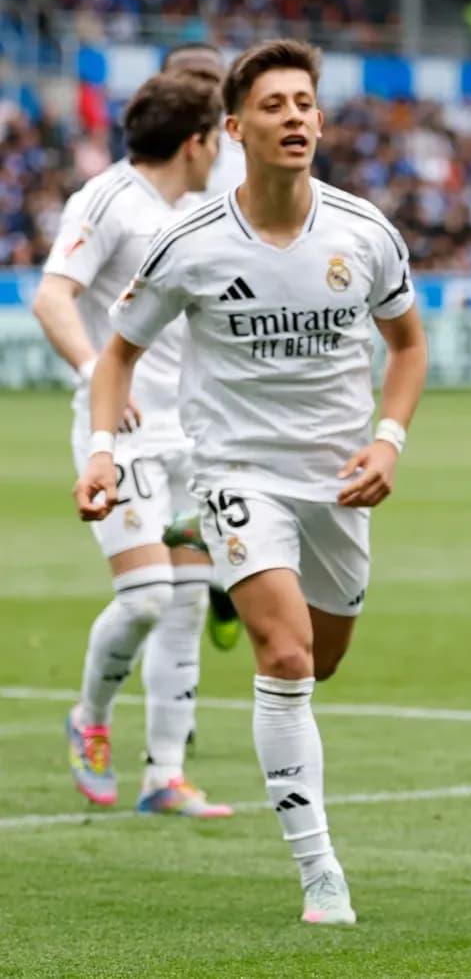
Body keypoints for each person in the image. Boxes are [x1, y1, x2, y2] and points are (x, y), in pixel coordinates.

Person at [75, 39, 430, 927]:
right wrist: (104, 452)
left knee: (325, 657)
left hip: (337, 480)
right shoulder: (189, 244)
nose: (295, 117)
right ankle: (321, 873)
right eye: (274, 105)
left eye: (305, 103)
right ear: (235, 129)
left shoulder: (364, 232)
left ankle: (236, 581)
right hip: (235, 472)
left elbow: (408, 347)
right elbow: (117, 356)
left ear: (322, 121)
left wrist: (388, 442)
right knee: (286, 656)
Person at [32, 73, 234, 818]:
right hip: (121, 437)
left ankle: (165, 777)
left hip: (192, 437)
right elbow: (52, 296)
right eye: (217, 141)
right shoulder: (108, 200)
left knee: (186, 604)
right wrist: (98, 374)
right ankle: (88, 718)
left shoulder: (196, 213)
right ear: (196, 143)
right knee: (147, 597)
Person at [156, 40, 249, 653]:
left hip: (228, 351)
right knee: (157, 574)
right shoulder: (151, 156)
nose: (200, 88)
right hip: (160, 358)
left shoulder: (244, 155)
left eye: (210, 78)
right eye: (187, 76)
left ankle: (220, 580)